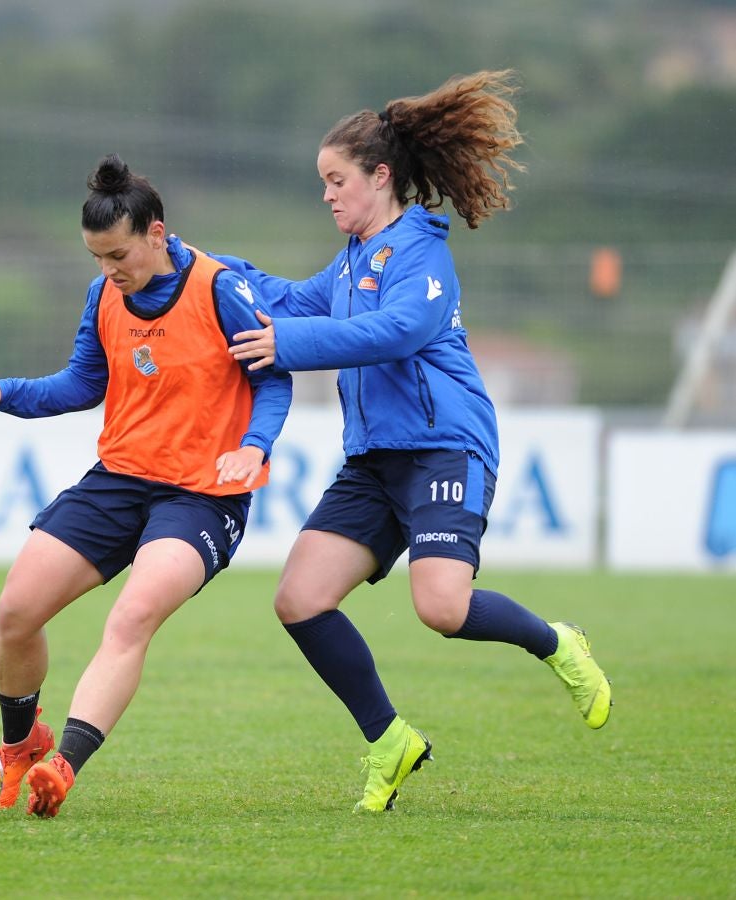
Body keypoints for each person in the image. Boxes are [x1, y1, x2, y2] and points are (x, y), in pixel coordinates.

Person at [223, 69, 611, 813]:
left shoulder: (420, 253)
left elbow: (394, 331)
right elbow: (283, 298)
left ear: (379, 176)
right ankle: (388, 740)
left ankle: (557, 643)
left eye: (337, 180)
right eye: (321, 183)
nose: (328, 194)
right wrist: (197, 267)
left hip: (445, 447)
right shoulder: (347, 262)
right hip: (374, 460)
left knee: (440, 607)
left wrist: (288, 343)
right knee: (299, 599)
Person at [0, 154, 291, 817]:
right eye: (96, 258)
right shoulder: (104, 294)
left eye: (118, 255)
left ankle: (62, 767)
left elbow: (271, 376)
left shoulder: (220, 288)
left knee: (131, 616)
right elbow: (82, 382)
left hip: (201, 493)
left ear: (155, 234)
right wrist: (6, 392)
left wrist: (254, 447)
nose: (109, 271)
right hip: (118, 480)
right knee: (16, 613)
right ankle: (20, 747)